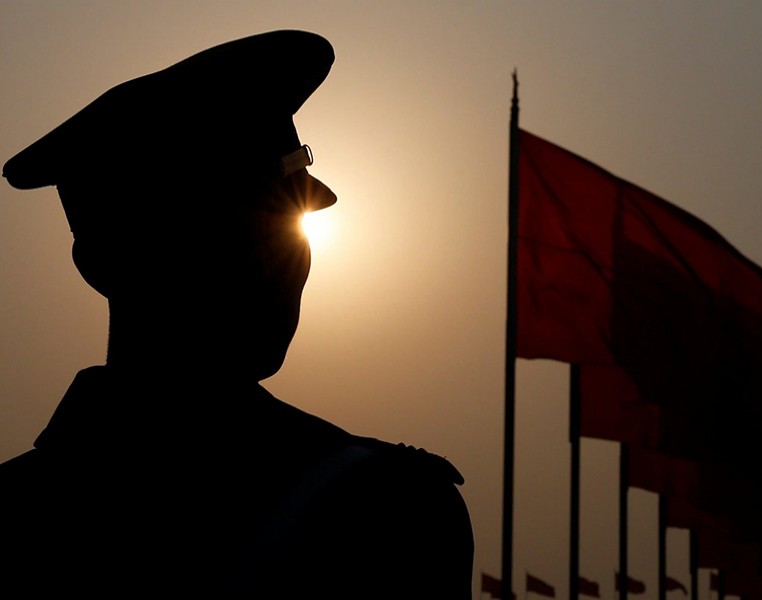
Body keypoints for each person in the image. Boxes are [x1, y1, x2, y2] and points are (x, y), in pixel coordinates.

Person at [0, 30, 473, 597]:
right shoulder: (381, 507)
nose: (280, 263)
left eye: (289, 228)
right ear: (104, 261)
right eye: (228, 232)